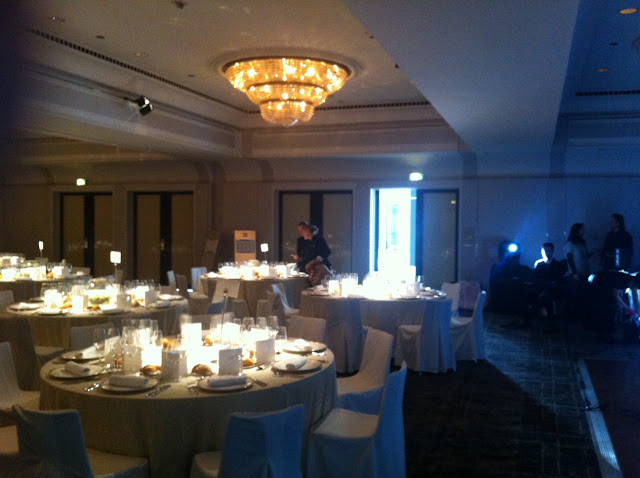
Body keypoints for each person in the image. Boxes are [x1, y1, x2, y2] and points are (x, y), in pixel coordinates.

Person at [565, 223, 592, 320]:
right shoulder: (570, 243)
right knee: (574, 293)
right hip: (576, 272)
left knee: (583, 293)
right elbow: (570, 258)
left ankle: (580, 313)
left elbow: (585, 256)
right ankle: (572, 313)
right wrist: (574, 272)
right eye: (581, 229)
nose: (583, 231)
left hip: (584, 271)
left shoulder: (582, 243)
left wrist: (593, 252)